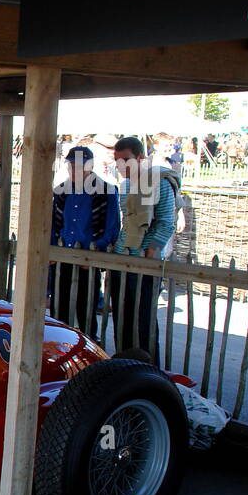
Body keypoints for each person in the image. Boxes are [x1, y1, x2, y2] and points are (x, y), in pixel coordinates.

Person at [108, 136, 179, 362]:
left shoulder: (160, 181)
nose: (121, 166)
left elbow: (166, 221)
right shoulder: (126, 185)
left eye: (126, 160)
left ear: (140, 158)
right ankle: (124, 363)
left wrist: (152, 252)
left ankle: (148, 366)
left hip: (144, 260)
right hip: (123, 256)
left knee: (144, 318)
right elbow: (127, 221)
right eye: (117, 161)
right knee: (122, 315)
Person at [49, 146, 120, 335]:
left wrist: (96, 252)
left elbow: (112, 227)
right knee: (59, 307)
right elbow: (53, 223)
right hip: (62, 255)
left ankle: (88, 344)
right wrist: (53, 249)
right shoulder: (62, 190)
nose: (74, 170)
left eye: (78, 166)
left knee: (85, 309)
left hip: (88, 258)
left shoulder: (106, 191)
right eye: (71, 165)